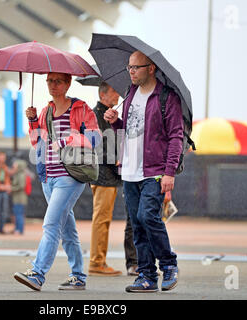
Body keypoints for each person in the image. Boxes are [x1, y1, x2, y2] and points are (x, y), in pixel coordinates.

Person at [14, 72, 100, 291]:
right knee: (68, 230)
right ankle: (78, 276)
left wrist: (65, 140)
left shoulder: (80, 108)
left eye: (58, 81)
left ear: (68, 83)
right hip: (47, 176)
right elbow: (37, 144)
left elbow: (95, 138)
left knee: (51, 225)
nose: (52, 85)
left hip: (70, 176)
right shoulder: (46, 111)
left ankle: (37, 273)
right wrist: (33, 121)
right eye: (49, 81)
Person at [104, 50, 182, 292]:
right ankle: (147, 276)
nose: (131, 71)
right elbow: (128, 129)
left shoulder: (167, 97)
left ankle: (169, 264)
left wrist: (169, 172)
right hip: (129, 170)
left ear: (151, 68)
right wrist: (115, 121)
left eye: (136, 67)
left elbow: (176, 137)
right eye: (129, 67)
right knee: (137, 224)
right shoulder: (130, 94)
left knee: (148, 217)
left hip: (155, 170)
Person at [88, 82, 123, 276]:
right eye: (114, 91)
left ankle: (98, 260)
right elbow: (100, 144)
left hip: (104, 173)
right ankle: (97, 262)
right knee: (102, 219)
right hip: (104, 174)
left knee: (102, 219)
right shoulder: (98, 115)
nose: (117, 95)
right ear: (103, 94)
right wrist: (117, 159)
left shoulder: (103, 114)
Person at [8, 157, 29, 235]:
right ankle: (17, 228)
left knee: (19, 214)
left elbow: (21, 186)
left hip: (20, 198)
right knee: (17, 213)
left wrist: (11, 188)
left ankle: (19, 229)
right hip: (16, 198)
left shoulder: (21, 174)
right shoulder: (17, 174)